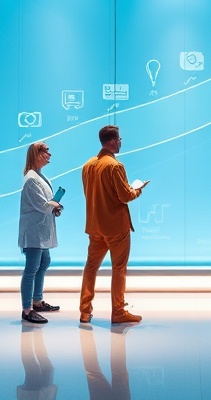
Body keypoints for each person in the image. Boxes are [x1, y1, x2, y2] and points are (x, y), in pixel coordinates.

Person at [79, 125, 148, 325]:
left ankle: (85, 311)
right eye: (118, 139)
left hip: (95, 226)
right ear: (111, 141)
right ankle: (118, 311)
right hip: (116, 227)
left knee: (90, 268)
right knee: (119, 268)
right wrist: (138, 189)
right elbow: (125, 196)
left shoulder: (88, 165)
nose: (120, 142)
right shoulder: (115, 166)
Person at [19, 141, 63, 324]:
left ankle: (37, 300)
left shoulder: (39, 176)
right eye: (46, 151)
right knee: (31, 269)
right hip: (34, 231)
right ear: (36, 154)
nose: (49, 155)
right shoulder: (31, 179)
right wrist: (53, 205)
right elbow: (41, 204)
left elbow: (46, 204)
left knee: (44, 262)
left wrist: (54, 207)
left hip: (41, 230)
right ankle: (27, 309)